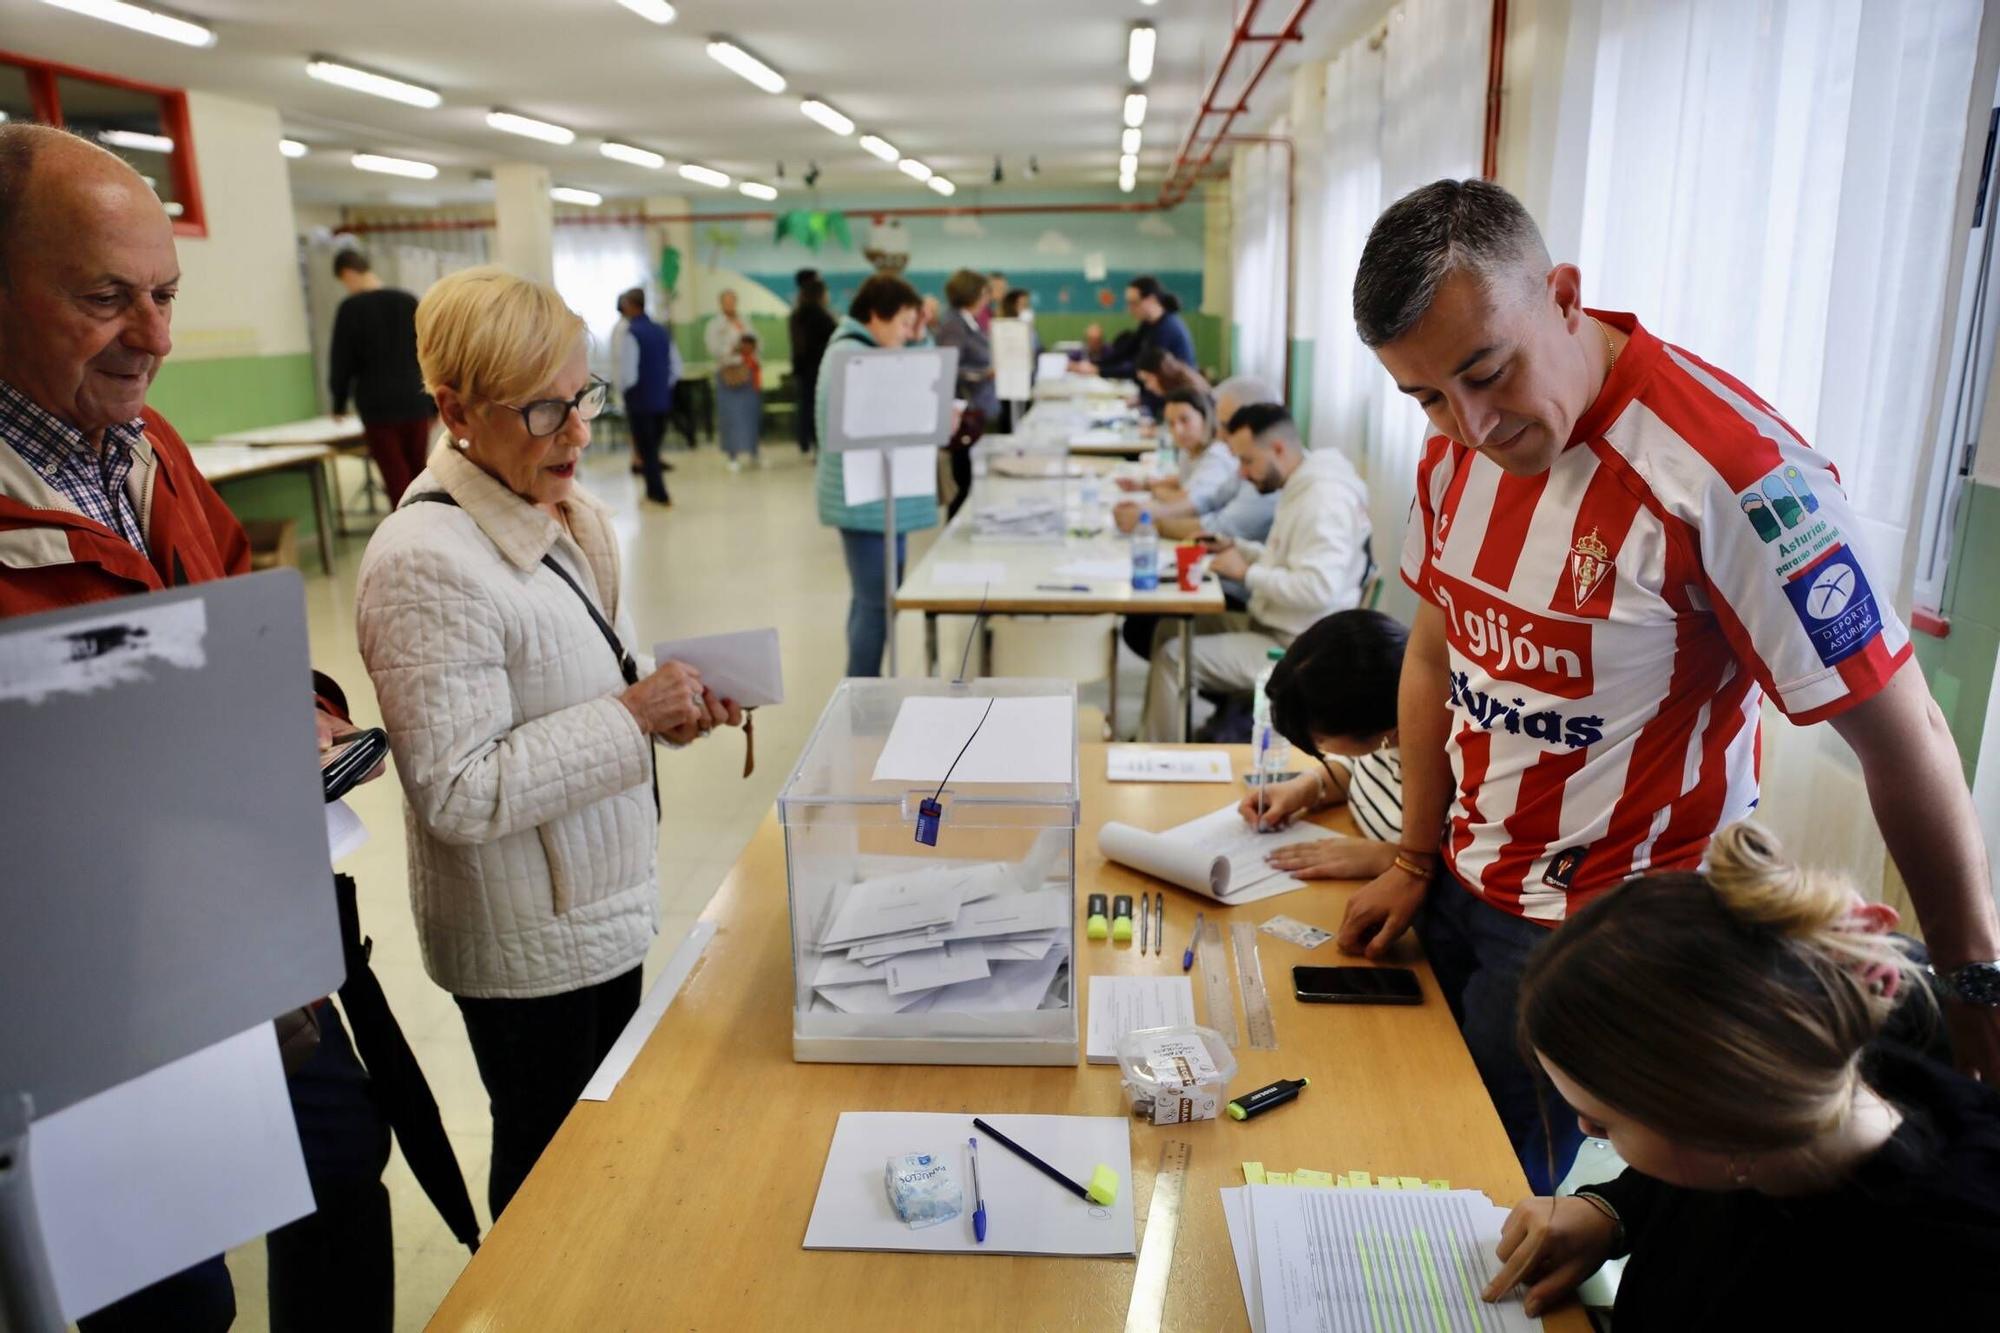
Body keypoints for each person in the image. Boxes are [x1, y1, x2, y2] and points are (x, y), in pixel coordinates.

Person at [1343, 177, 2000, 1192]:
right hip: (1457, 882)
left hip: (1604, 936)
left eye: (1486, 371)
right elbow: (1436, 653)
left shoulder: (1732, 471)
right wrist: (1410, 852)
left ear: (1563, 296)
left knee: (1473, 1205)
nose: (1468, 425)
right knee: (1394, 1142)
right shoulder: (1450, 455)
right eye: (1428, 397)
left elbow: (1898, 727)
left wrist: (1971, 978)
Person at [0, 123, 396, 1333]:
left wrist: (303, 713)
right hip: (81, 1011)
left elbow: (237, 616)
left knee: (341, 1168)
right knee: (168, 1296)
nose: (156, 340)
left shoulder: (151, 450)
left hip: (235, 944)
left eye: (166, 294)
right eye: (105, 298)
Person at [354, 266, 743, 1220]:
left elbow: (572, 680)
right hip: (527, 941)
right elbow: (458, 791)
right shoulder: (422, 564)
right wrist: (633, 716)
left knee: (603, 1152)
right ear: (455, 410)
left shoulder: (559, 511)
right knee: (548, 1177)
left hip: (598, 904)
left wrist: (669, 701)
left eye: (583, 397)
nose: (578, 431)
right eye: (542, 412)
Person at [1484, 822, 2000, 1326]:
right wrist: (1612, 1210)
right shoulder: (1789, 1109)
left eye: (1603, 1124)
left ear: (1722, 1115)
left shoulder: (1943, 1268)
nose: (1586, 1132)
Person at [1140, 404, 1372, 741]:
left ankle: (1157, 757)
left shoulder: (1323, 500)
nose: (1243, 474)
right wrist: (1236, 546)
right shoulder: (1300, 484)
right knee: (1168, 627)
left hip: (1299, 644)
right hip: (1274, 620)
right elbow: (1289, 561)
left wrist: (1246, 572)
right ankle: (1171, 733)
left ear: (1278, 448)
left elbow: (1319, 587)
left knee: (1174, 658)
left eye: (1248, 461)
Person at [814, 274, 935, 676]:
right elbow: (913, 387)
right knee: (877, 604)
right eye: (902, 322)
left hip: (877, 497)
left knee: (870, 600)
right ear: (875, 317)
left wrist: (918, 336)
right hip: (866, 499)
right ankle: (863, 694)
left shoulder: (857, 351)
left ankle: (860, 687)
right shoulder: (852, 355)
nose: (906, 333)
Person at [1234, 609, 1409, 882]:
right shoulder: (1386, 730)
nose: (1322, 748)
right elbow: (1360, 766)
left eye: (1320, 740)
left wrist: (1390, 859)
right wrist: (1308, 787)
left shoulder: (1449, 764)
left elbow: (1462, 868)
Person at [1116, 377, 1283, 660]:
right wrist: (1149, 511)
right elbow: (1207, 499)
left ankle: (1224, 697)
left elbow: (1215, 527)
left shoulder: (1264, 479)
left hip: (1245, 595)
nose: (1219, 435)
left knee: (1145, 625)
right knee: (1143, 618)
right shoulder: (1244, 465)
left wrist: (1147, 519)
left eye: (1227, 425)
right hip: (1232, 576)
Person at [328, 249, 435, 506]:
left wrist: (338, 403)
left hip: (378, 407)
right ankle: (429, 525)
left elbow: (341, 359)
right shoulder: (408, 300)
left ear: (348, 273)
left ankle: (409, 532)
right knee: (420, 471)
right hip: (416, 399)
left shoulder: (351, 308)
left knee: (395, 477)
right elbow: (429, 351)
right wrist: (434, 401)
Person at [934, 268, 995, 515]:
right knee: (963, 482)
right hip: (962, 413)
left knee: (971, 479)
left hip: (975, 409)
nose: (987, 298)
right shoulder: (954, 324)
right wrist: (983, 373)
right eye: (983, 293)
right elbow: (948, 367)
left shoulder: (968, 322)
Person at [1090, 276, 1197, 418]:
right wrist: (1094, 365)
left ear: (1151, 300)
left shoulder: (1167, 329)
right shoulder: (1148, 324)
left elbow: (1143, 370)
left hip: (1177, 403)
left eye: (1134, 303)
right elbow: (1126, 351)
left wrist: (1098, 370)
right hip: (1156, 399)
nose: (1130, 309)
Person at [616, 287, 677, 506]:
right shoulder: (661, 331)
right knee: (653, 449)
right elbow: (676, 368)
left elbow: (629, 374)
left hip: (640, 402)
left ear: (631, 305)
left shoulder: (632, 333)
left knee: (647, 450)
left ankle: (658, 494)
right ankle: (654, 491)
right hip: (662, 400)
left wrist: (623, 395)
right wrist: (661, 387)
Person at [705, 288, 761, 470]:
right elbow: (715, 349)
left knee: (751, 414)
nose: (730, 305)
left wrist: (747, 350)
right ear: (721, 303)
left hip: (748, 372)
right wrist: (734, 351)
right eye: (726, 301)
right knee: (730, 416)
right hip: (728, 374)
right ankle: (732, 455)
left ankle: (753, 451)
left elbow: (756, 343)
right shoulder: (715, 325)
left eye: (732, 301)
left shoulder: (744, 321)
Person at [788, 275, 836, 455]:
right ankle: (818, 444)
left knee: (806, 406)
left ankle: (805, 442)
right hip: (818, 370)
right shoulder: (821, 317)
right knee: (819, 409)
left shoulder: (797, 315)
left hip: (803, 370)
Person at [1134, 344, 1212, 410]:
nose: (1147, 387)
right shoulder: (1181, 379)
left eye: (1147, 380)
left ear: (1161, 373)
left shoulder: (1186, 397)